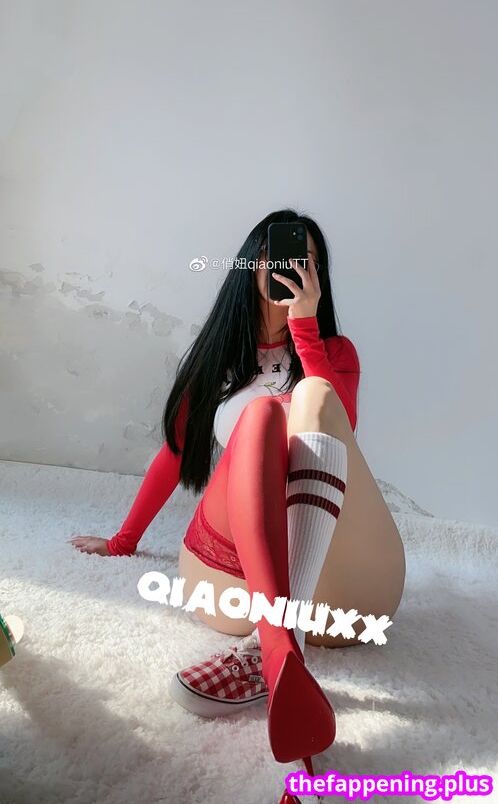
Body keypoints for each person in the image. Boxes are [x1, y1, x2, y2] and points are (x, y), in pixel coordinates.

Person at [69, 208, 406, 793]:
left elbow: (339, 427)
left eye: (305, 260)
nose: (291, 268)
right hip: (231, 580)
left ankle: (275, 646)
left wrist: (305, 330)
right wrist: (124, 541)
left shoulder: (336, 351)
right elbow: (174, 455)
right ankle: (278, 646)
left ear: (319, 275)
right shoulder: (218, 361)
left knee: (311, 397)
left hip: (341, 587)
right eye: (278, 257)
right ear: (251, 266)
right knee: (259, 418)